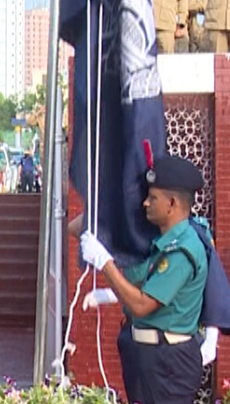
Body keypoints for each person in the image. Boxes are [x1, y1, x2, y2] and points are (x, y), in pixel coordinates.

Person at [79, 155, 209, 404]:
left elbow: (141, 304)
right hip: (146, 358)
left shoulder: (182, 249)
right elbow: (78, 228)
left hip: (169, 363)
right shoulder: (159, 242)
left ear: (172, 203)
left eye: (153, 197)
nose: (145, 203)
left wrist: (105, 262)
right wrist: (113, 206)